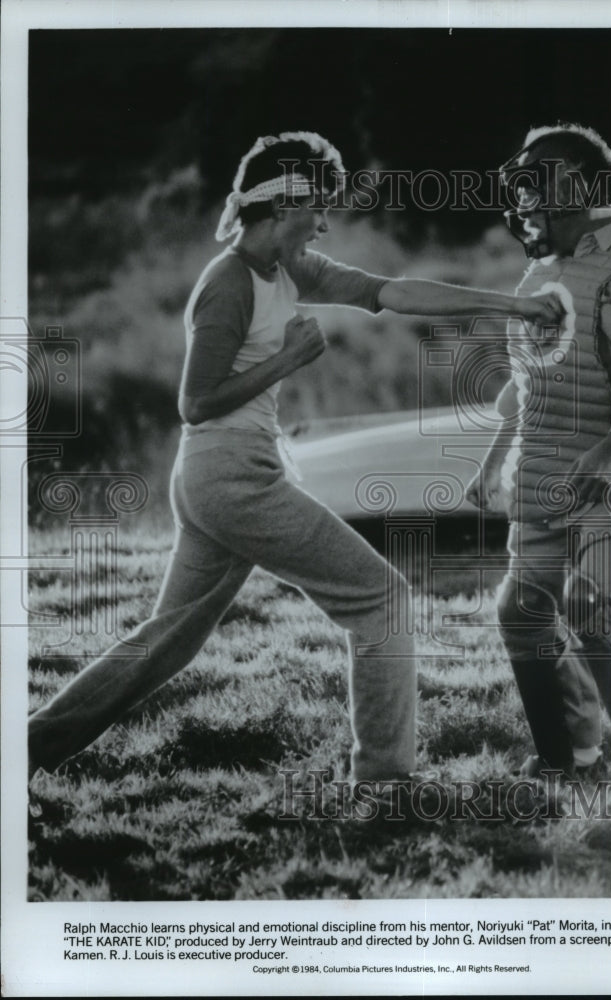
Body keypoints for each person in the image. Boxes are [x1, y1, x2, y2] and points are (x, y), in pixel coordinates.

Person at [28, 130, 564, 787]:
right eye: (317, 208)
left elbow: (395, 292)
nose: (325, 222)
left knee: (166, 640)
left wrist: (511, 304)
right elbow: (194, 402)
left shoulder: (286, 269)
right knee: (383, 600)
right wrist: (289, 359)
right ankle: (385, 781)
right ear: (283, 205)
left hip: (215, 477)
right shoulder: (227, 283)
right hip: (230, 475)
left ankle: (32, 747)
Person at [466, 123, 611, 794]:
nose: (526, 191)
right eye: (524, 176)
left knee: (595, 606)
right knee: (522, 610)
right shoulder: (543, 271)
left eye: (541, 175)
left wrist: (608, 451)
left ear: (584, 187)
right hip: (543, 474)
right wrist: (490, 461)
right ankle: (571, 755)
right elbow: (529, 381)